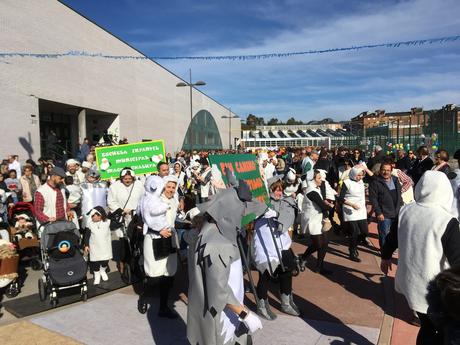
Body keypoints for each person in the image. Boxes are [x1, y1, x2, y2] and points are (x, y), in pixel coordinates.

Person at [381, 171, 460, 345]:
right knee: (440, 332)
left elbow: (392, 238)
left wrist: (385, 257)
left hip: (412, 284)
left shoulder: (406, 210)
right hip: (436, 291)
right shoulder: (447, 220)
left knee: (427, 327)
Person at [187, 180, 266, 345]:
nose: (243, 215)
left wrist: (233, 185)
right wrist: (245, 314)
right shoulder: (217, 242)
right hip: (223, 319)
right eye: (240, 211)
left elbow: (254, 206)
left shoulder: (216, 231)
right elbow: (219, 289)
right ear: (228, 212)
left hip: (231, 313)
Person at [253, 176, 300, 320]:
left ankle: (286, 301)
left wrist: (277, 214)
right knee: (265, 275)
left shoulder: (286, 201)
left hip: (282, 244)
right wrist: (260, 211)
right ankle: (262, 304)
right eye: (275, 190)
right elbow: (248, 214)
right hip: (265, 243)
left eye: (280, 190)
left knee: (286, 271)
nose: (278, 193)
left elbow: (289, 217)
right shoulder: (260, 202)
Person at [140, 175, 179, 318]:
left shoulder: (174, 200)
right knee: (154, 276)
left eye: (173, 187)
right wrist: (158, 230)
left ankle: (163, 307)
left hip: (170, 239)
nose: (170, 190)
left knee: (168, 275)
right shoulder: (153, 200)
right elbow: (145, 218)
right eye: (168, 187)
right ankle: (143, 297)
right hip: (155, 239)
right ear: (162, 187)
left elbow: (172, 220)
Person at [107, 167, 144, 271]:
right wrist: (121, 210)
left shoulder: (139, 185)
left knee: (136, 238)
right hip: (122, 216)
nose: (127, 180)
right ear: (121, 177)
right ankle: (122, 261)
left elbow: (143, 198)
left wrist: (137, 210)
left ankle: (137, 260)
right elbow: (110, 201)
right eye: (125, 178)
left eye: (129, 178)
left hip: (136, 216)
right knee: (123, 239)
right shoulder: (114, 186)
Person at [299, 170, 334, 274]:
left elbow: (321, 202)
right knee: (318, 244)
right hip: (312, 220)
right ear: (312, 180)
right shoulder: (311, 191)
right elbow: (322, 205)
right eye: (318, 178)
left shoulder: (316, 189)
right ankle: (303, 258)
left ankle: (319, 267)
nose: (321, 180)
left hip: (319, 219)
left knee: (325, 243)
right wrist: (331, 206)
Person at [338, 164, 373, 262]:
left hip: (361, 209)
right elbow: (340, 198)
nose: (360, 177)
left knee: (365, 232)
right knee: (354, 231)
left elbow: (374, 178)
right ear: (353, 174)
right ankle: (352, 251)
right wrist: (351, 204)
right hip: (350, 209)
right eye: (358, 175)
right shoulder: (346, 182)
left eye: (362, 175)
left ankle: (354, 244)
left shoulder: (361, 181)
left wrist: (365, 168)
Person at [368, 162, 403, 250]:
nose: (386, 172)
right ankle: (384, 251)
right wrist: (379, 213)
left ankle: (392, 249)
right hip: (384, 214)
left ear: (391, 171)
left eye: (388, 170)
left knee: (395, 233)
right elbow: (373, 200)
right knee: (384, 234)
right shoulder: (375, 183)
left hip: (396, 212)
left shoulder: (395, 180)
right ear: (380, 171)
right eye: (383, 170)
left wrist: (401, 206)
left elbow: (399, 195)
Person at [83, 206, 112, 285]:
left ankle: (103, 271)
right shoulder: (90, 224)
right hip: (94, 247)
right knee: (95, 262)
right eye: (91, 216)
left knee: (105, 261)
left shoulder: (107, 222)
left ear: (100, 215)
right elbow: (87, 235)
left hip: (105, 246)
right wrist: (86, 245)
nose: (92, 217)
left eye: (93, 216)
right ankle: (97, 274)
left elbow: (115, 221)